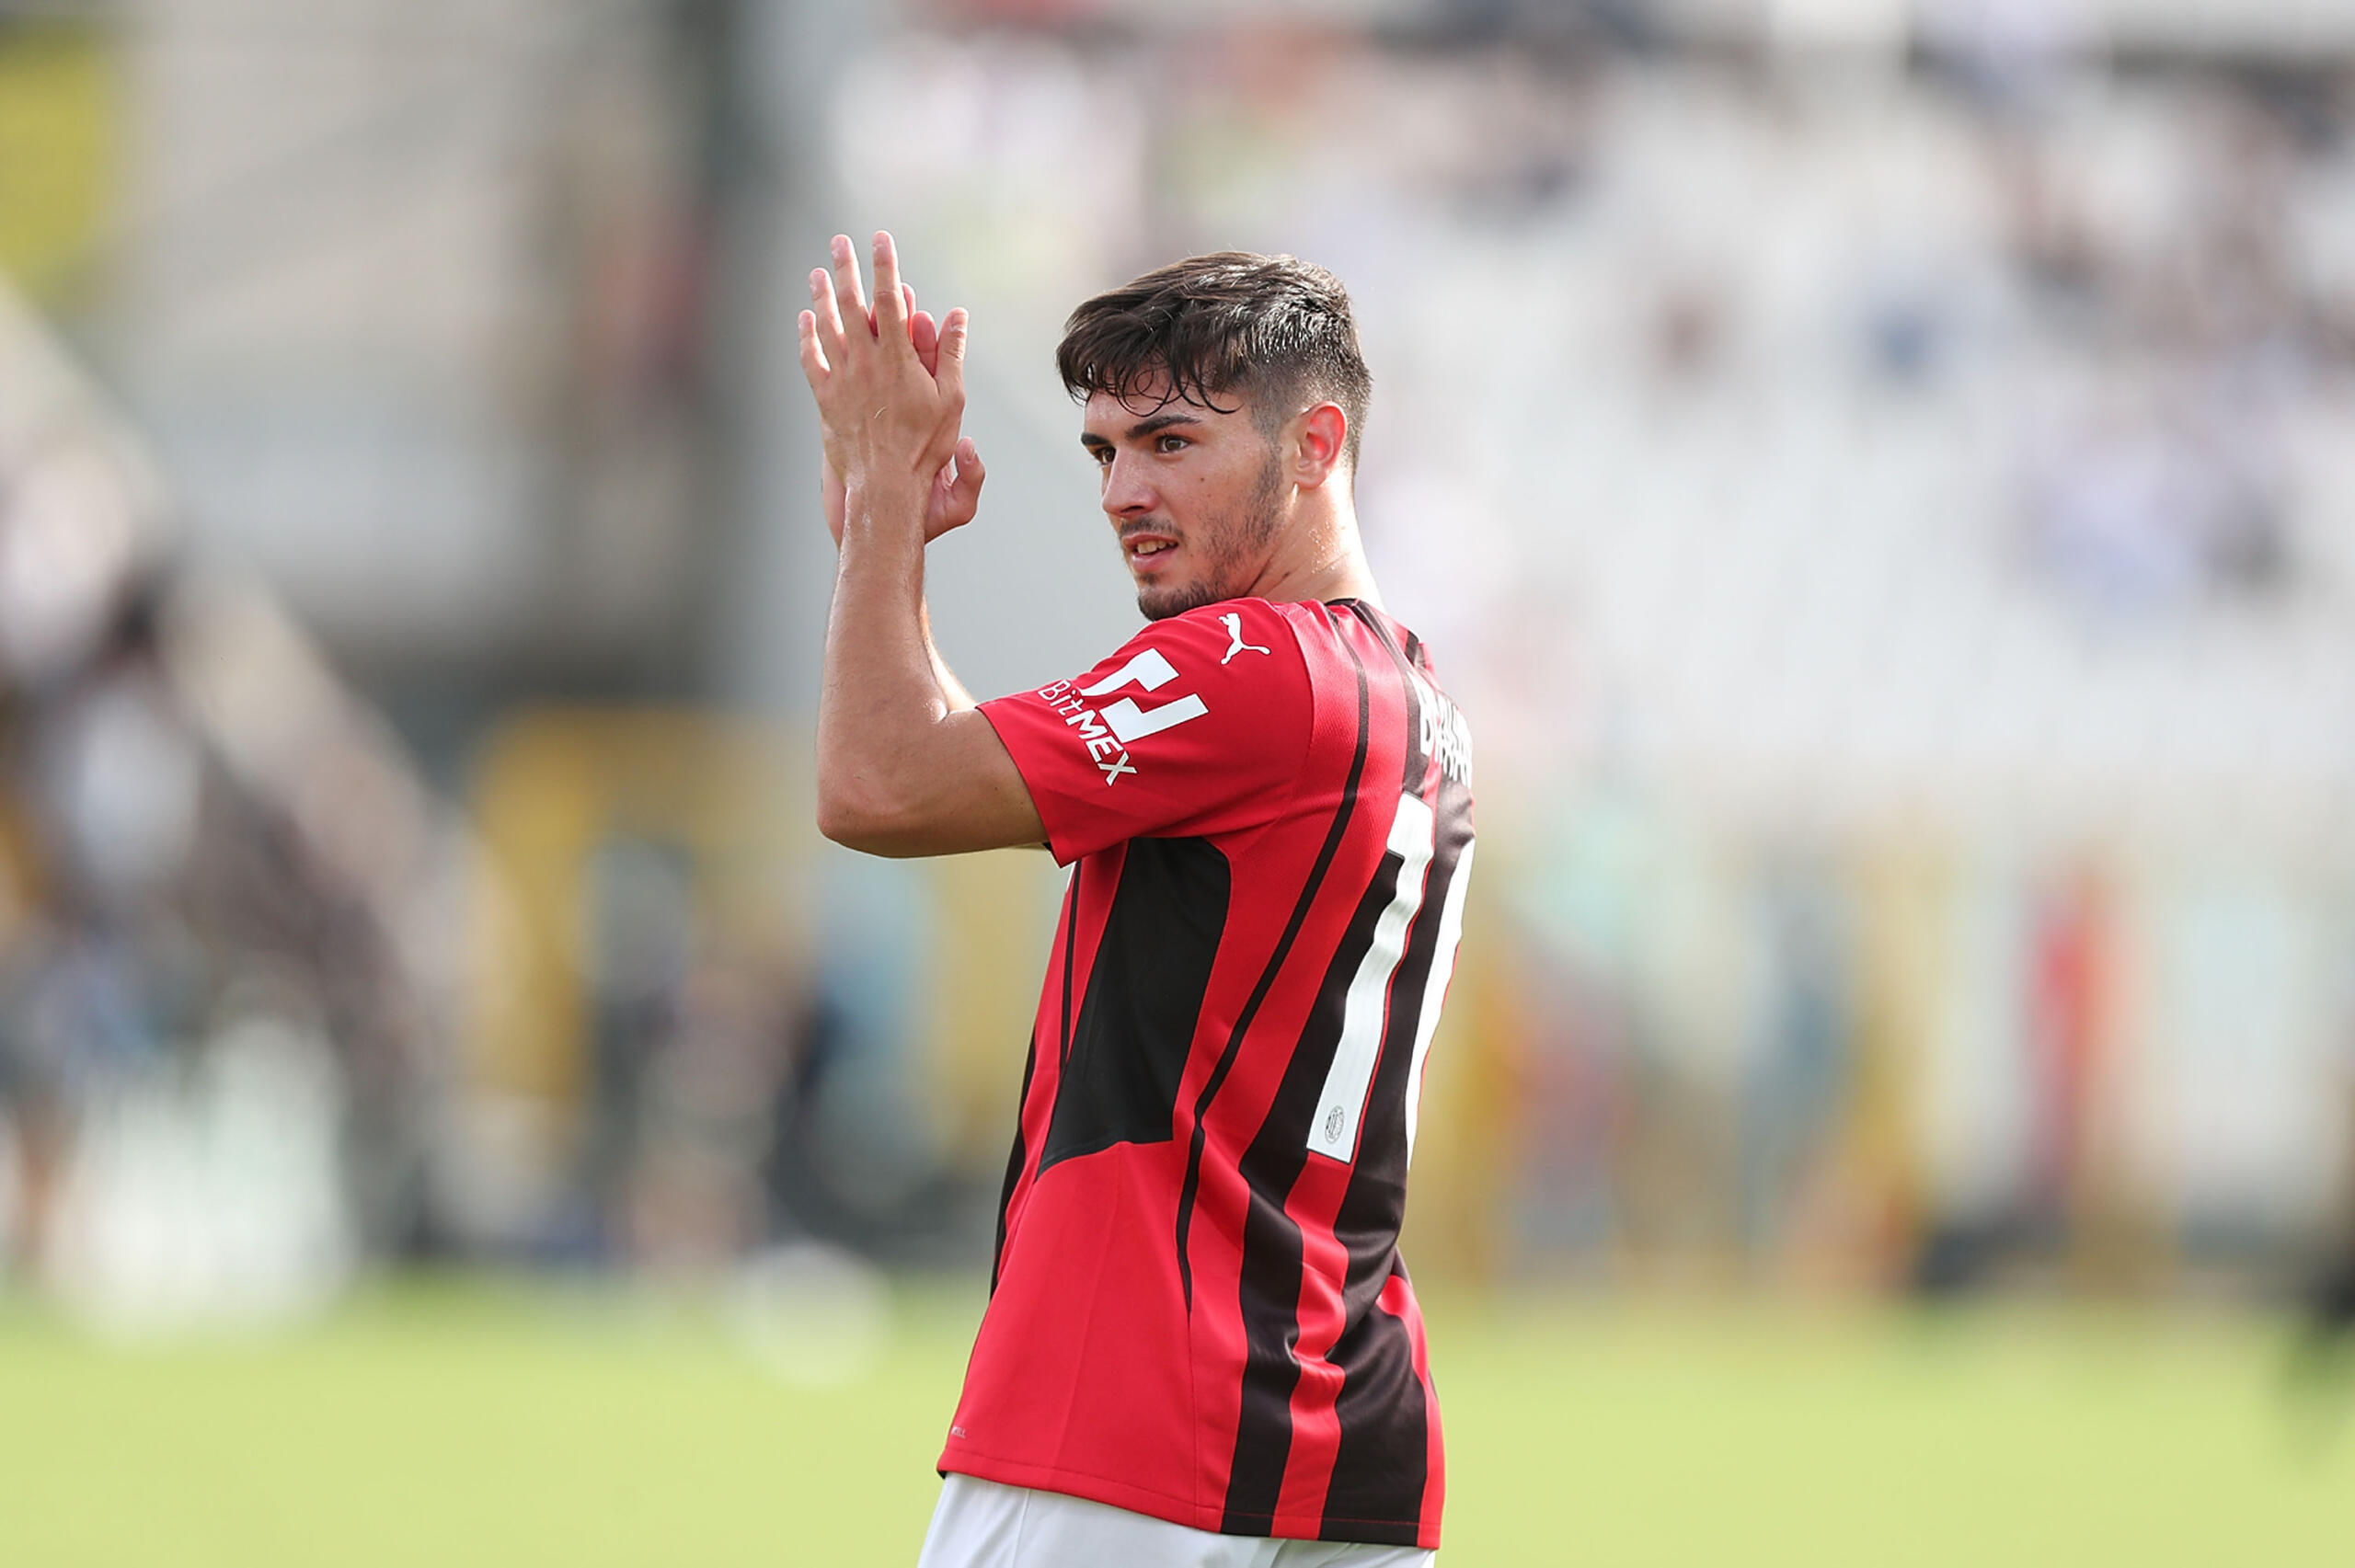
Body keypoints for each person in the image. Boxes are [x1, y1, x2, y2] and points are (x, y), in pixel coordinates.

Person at [798, 233, 1475, 1567]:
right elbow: (953, 767)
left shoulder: (1249, 665)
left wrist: (881, 502)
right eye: (1104, 450)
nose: (1122, 491)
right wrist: (892, 556)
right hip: (1347, 1420)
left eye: (1170, 442)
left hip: (1133, 1397)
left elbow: (877, 785)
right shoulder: (1415, 699)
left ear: (1315, 443)